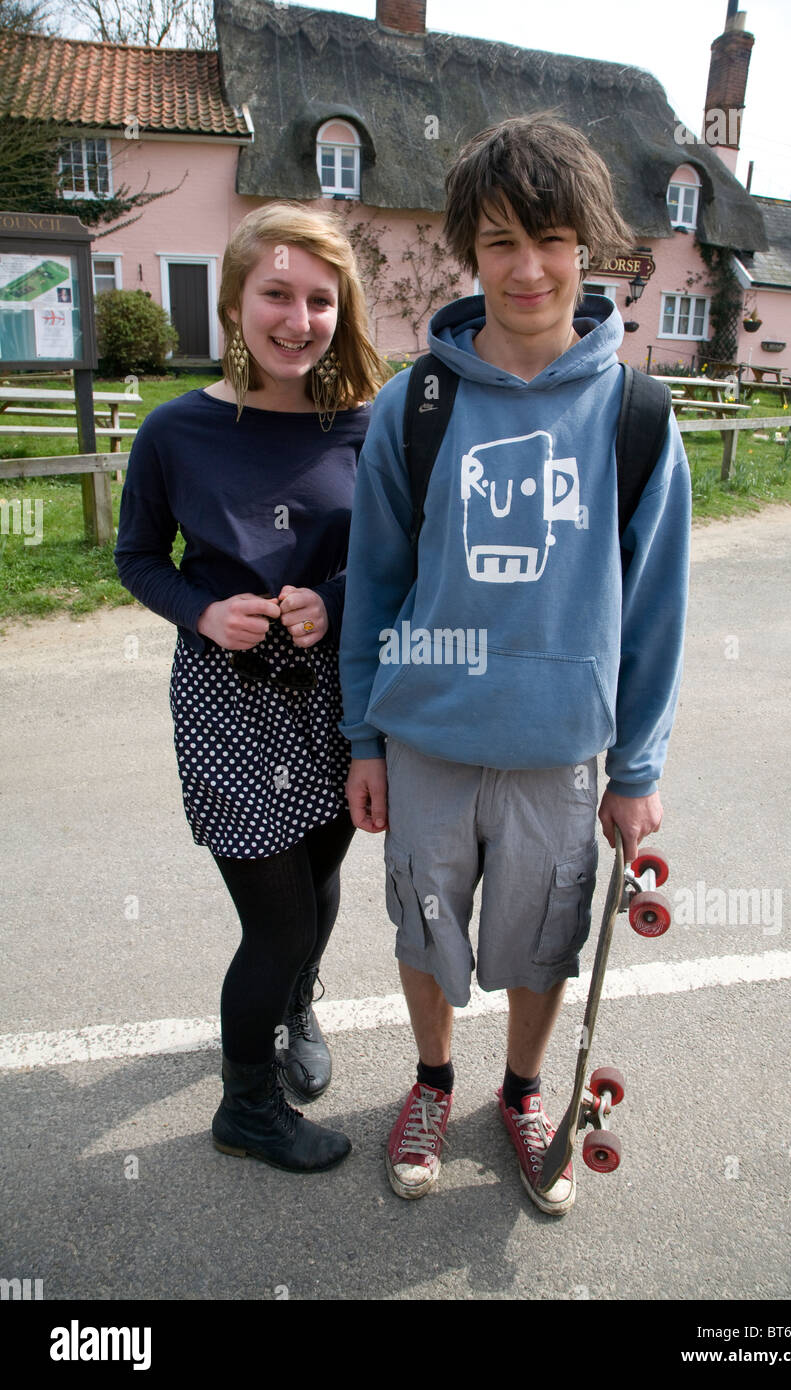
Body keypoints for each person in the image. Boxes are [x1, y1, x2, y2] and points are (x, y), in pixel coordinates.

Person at [339, 115, 691, 1214]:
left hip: (557, 753)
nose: (526, 266)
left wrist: (633, 771)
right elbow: (374, 587)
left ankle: (524, 1090)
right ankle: (434, 1082)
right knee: (425, 929)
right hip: (428, 741)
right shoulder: (417, 406)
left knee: (542, 944)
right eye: (497, 241)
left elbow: (656, 610)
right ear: (468, 252)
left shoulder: (635, 413)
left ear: (587, 245)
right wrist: (363, 735)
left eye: (548, 237)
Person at [115, 202, 387, 1174]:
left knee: (317, 887)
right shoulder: (175, 431)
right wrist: (200, 610)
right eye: (276, 292)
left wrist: (337, 597)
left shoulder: (366, 425)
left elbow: (400, 557)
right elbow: (138, 556)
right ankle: (248, 1106)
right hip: (229, 697)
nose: (297, 318)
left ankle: (295, 1008)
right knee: (271, 920)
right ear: (235, 300)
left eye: (320, 298)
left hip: (337, 694)